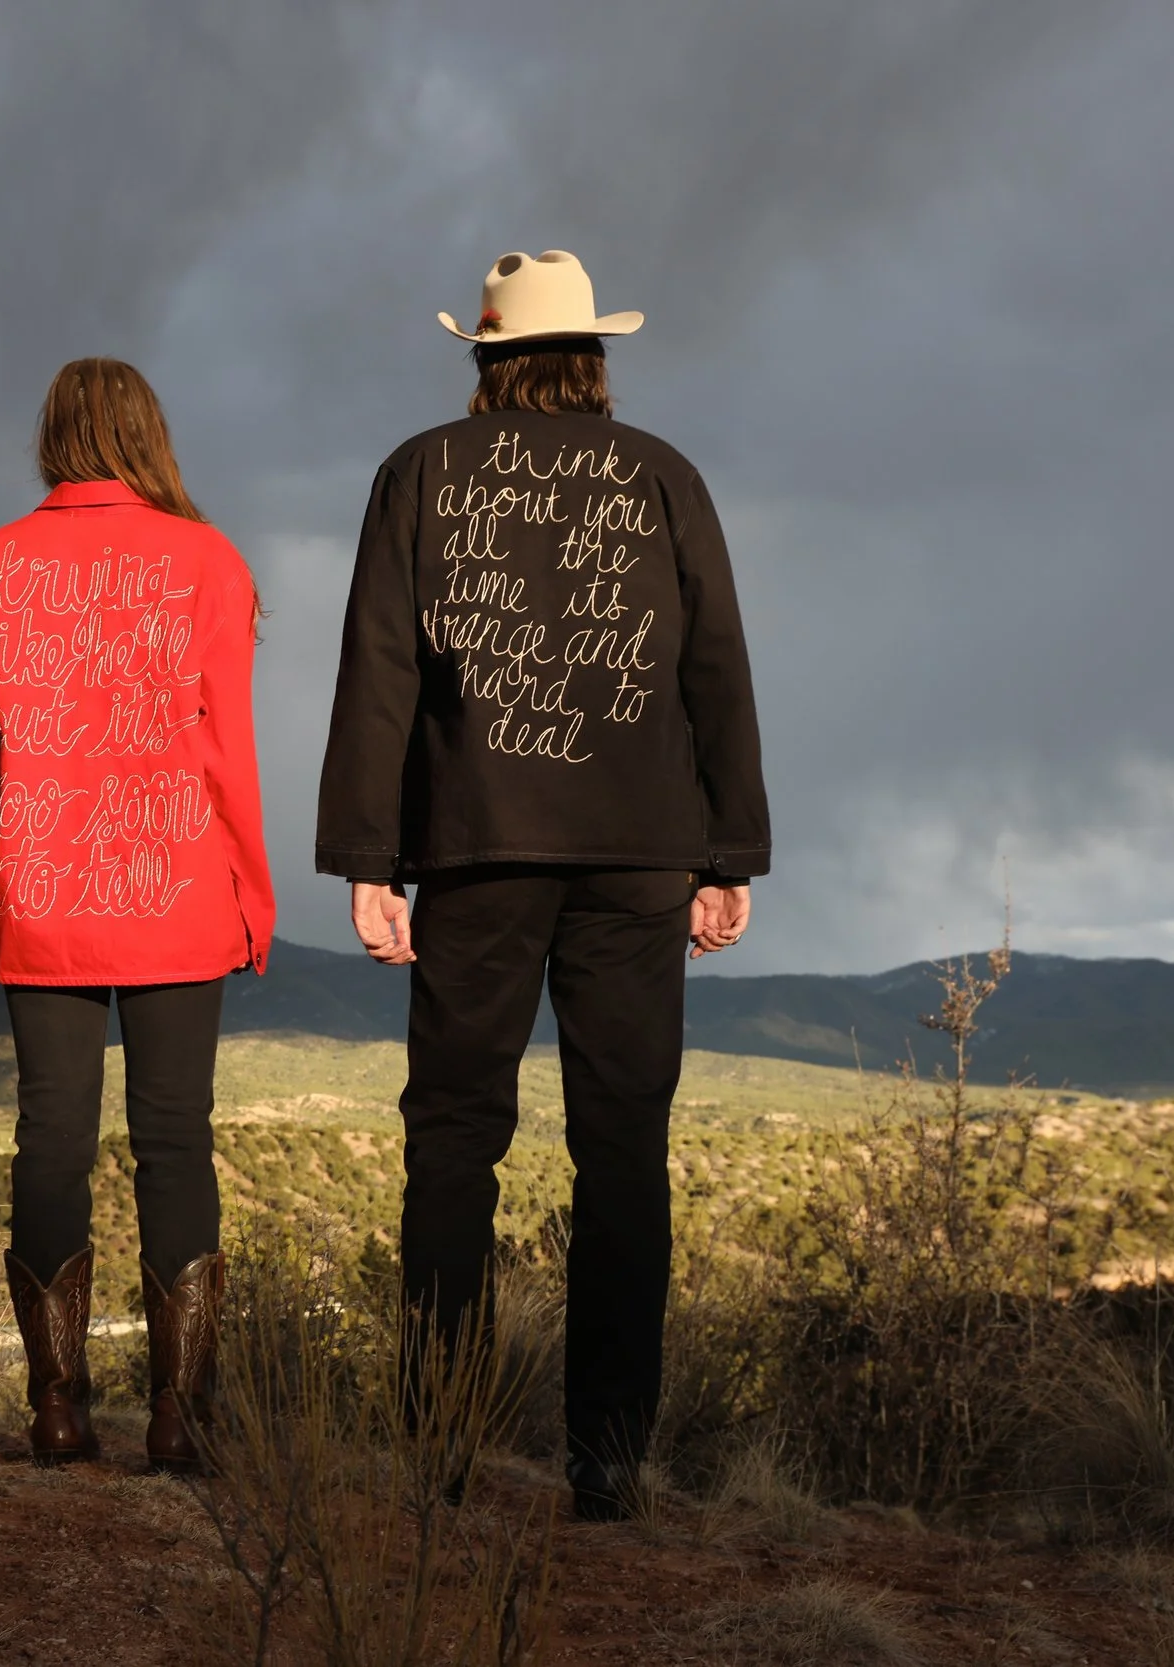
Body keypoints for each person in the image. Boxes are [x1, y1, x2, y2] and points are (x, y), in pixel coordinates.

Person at [315, 250, 768, 1519]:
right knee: (622, 1149)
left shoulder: (418, 472)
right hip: (639, 853)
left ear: (484, 359)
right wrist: (726, 852)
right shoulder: (664, 475)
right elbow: (717, 670)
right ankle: (610, 1462)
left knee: (453, 1141)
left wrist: (368, 860)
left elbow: (378, 669)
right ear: (594, 358)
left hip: (475, 849)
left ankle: (442, 1448)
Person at [0, 358, 275, 1469]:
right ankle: (180, 1417)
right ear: (148, 435)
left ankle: (58, 1408)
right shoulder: (209, 561)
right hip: (176, 899)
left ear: (55, 438)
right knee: (177, 1141)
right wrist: (251, 900)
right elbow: (227, 755)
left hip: (43, 898)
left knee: (50, 1139)